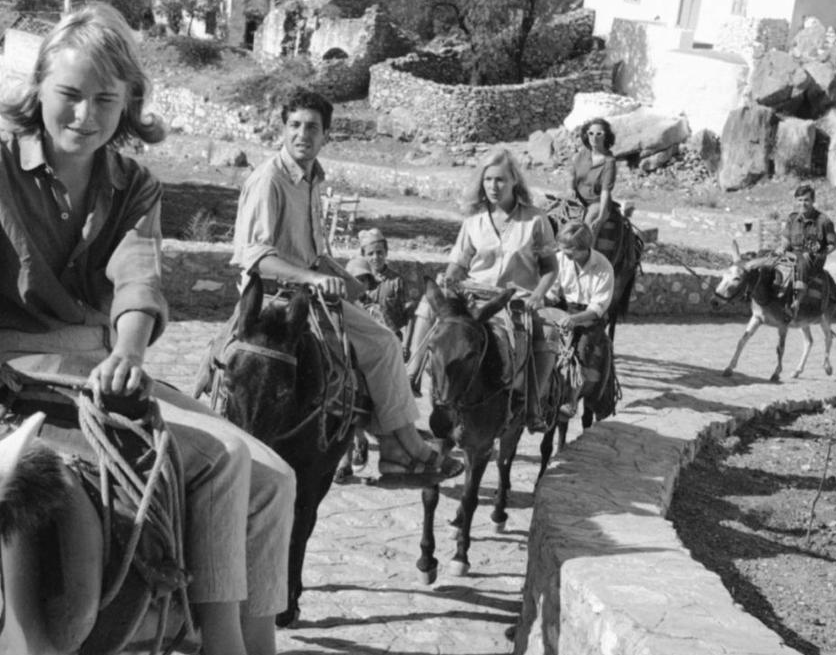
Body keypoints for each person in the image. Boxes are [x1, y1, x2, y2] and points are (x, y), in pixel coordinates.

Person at [0, 3, 324, 655]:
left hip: (100, 373)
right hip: (1, 379)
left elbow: (138, 280)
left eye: (106, 99)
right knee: (222, 460)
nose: (86, 114)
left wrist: (128, 350)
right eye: (71, 93)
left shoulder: (132, 183)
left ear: (129, 104)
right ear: (38, 89)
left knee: (276, 476)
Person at [231, 88, 461, 487]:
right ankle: (403, 447)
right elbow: (256, 258)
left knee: (376, 336)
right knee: (385, 344)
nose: (303, 134)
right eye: (295, 126)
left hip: (307, 291)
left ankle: (390, 448)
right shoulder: (269, 180)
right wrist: (314, 278)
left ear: (326, 137)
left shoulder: (310, 180)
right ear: (283, 130)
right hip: (274, 298)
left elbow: (315, 253)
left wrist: (355, 285)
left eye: (312, 128)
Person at [405, 146, 558, 392]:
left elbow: (550, 268)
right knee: (427, 304)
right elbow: (459, 264)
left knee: (550, 333)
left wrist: (538, 295)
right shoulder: (473, 220)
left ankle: (533, 405)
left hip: (515, 299)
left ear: (514, 181)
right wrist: (449, 278)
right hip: (473, 293)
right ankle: (412, 374)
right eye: (488, 179)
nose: (493, 186)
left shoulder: (536, 220)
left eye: (500, 179)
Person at [545, 221, 615, 408]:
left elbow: (598, 308)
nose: (563, 252)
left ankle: (571, 398)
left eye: (569, 249)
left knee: (582, 350)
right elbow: (553, 291)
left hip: (589, 317)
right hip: (564, 308)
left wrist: (574, 320)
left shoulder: (603, 267)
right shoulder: (560, 259)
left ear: (582, 249)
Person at [778, 184, 836, 319]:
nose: (803, 203)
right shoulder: (792, 218)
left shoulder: (824, 221)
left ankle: (797, 302)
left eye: (806, 200)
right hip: (792, 255)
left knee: (803, 257)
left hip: (813, 259)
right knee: (766, 258)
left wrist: (822, 253)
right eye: (800, 200)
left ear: (813, 201)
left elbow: (833, 244)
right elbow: (786, 238)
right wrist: (782, 248)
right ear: (795, 201)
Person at [570, 117, 623, 258]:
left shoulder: (609, 162)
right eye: (591, 133)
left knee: (588, 225)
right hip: (578, 197)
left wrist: (601, 215)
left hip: (596, 201)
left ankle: (587, 258)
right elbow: (573, 176)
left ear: (606, 136)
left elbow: (606, 191)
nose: (594, 138)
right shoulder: (582, 154)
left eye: (599, 134)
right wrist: (570, 191)